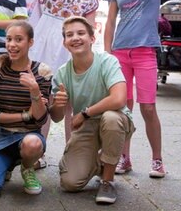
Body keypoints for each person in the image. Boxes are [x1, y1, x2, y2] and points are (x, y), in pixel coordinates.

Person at [104, 0, 178, 178]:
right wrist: (108, 52)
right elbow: (110, 22)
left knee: (148, 107)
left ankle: (157, 159)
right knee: (124, 107)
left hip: (145, 51)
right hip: (121, 53)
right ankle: (124, 157)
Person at [8, 0, 99, 142]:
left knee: (70, 101)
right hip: (46, 49)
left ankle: (71, 149)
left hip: (70, 50)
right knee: (44, 98)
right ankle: (39, 147)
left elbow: (89, 29)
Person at [52, 16, 134, 204]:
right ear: (65, 43)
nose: (75, 38)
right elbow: (56, 117)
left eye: (81, 33)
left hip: (116, 120)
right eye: (69, 35)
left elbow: (119, 98)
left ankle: (107, 180)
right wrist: (58, 104)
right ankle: (103, 161)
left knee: (111, 118)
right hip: (87, 127)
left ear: (92, 38)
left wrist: (84, 113)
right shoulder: (63, 73)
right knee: (69, 183)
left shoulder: (107, 61)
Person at [0, 21, 52, 199]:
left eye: (19, 39)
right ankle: (7, 165)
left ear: (30, 42)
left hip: (30, 137)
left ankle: (27, 167)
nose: (12, 44)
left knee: (32, 144)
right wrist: (26, 115)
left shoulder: (42, 71)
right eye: (9, 39)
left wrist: (34, 90)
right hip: (3, 137)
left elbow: (40, 119)